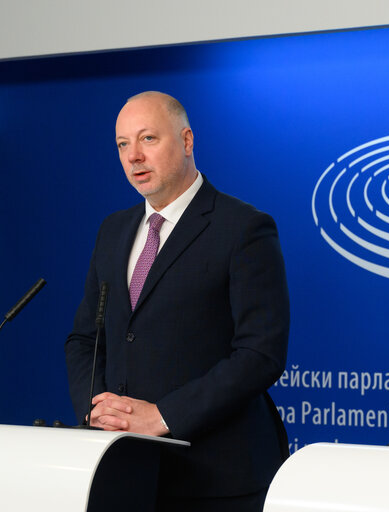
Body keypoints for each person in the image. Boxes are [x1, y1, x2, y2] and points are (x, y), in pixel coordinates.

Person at [65, 91, 290, 511]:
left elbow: (261, 354)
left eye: (148, 138)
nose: (134, 156)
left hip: (216, 478)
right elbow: (84, 340)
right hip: (123, 472)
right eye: (122, 144)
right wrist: (98, 411)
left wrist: (163, 416)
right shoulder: (113, 231)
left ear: (187, 141)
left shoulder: (243, 228)